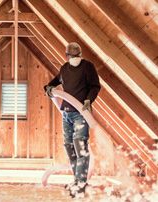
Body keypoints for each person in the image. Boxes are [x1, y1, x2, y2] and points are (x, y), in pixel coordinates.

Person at [44, 42, 101, 198]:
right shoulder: (64, 69)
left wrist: (89, 100)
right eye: (72, 56)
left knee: (80, 148)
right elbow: (53, 83)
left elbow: (95, 86)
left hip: (81, 113)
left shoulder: (88, 67)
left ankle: (81, 186)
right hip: (67, 113)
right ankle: (77, 181)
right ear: (67, 56)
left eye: (77, 56)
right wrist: (49, 89)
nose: (74, 58)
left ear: (80, 55)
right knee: (70, 148)